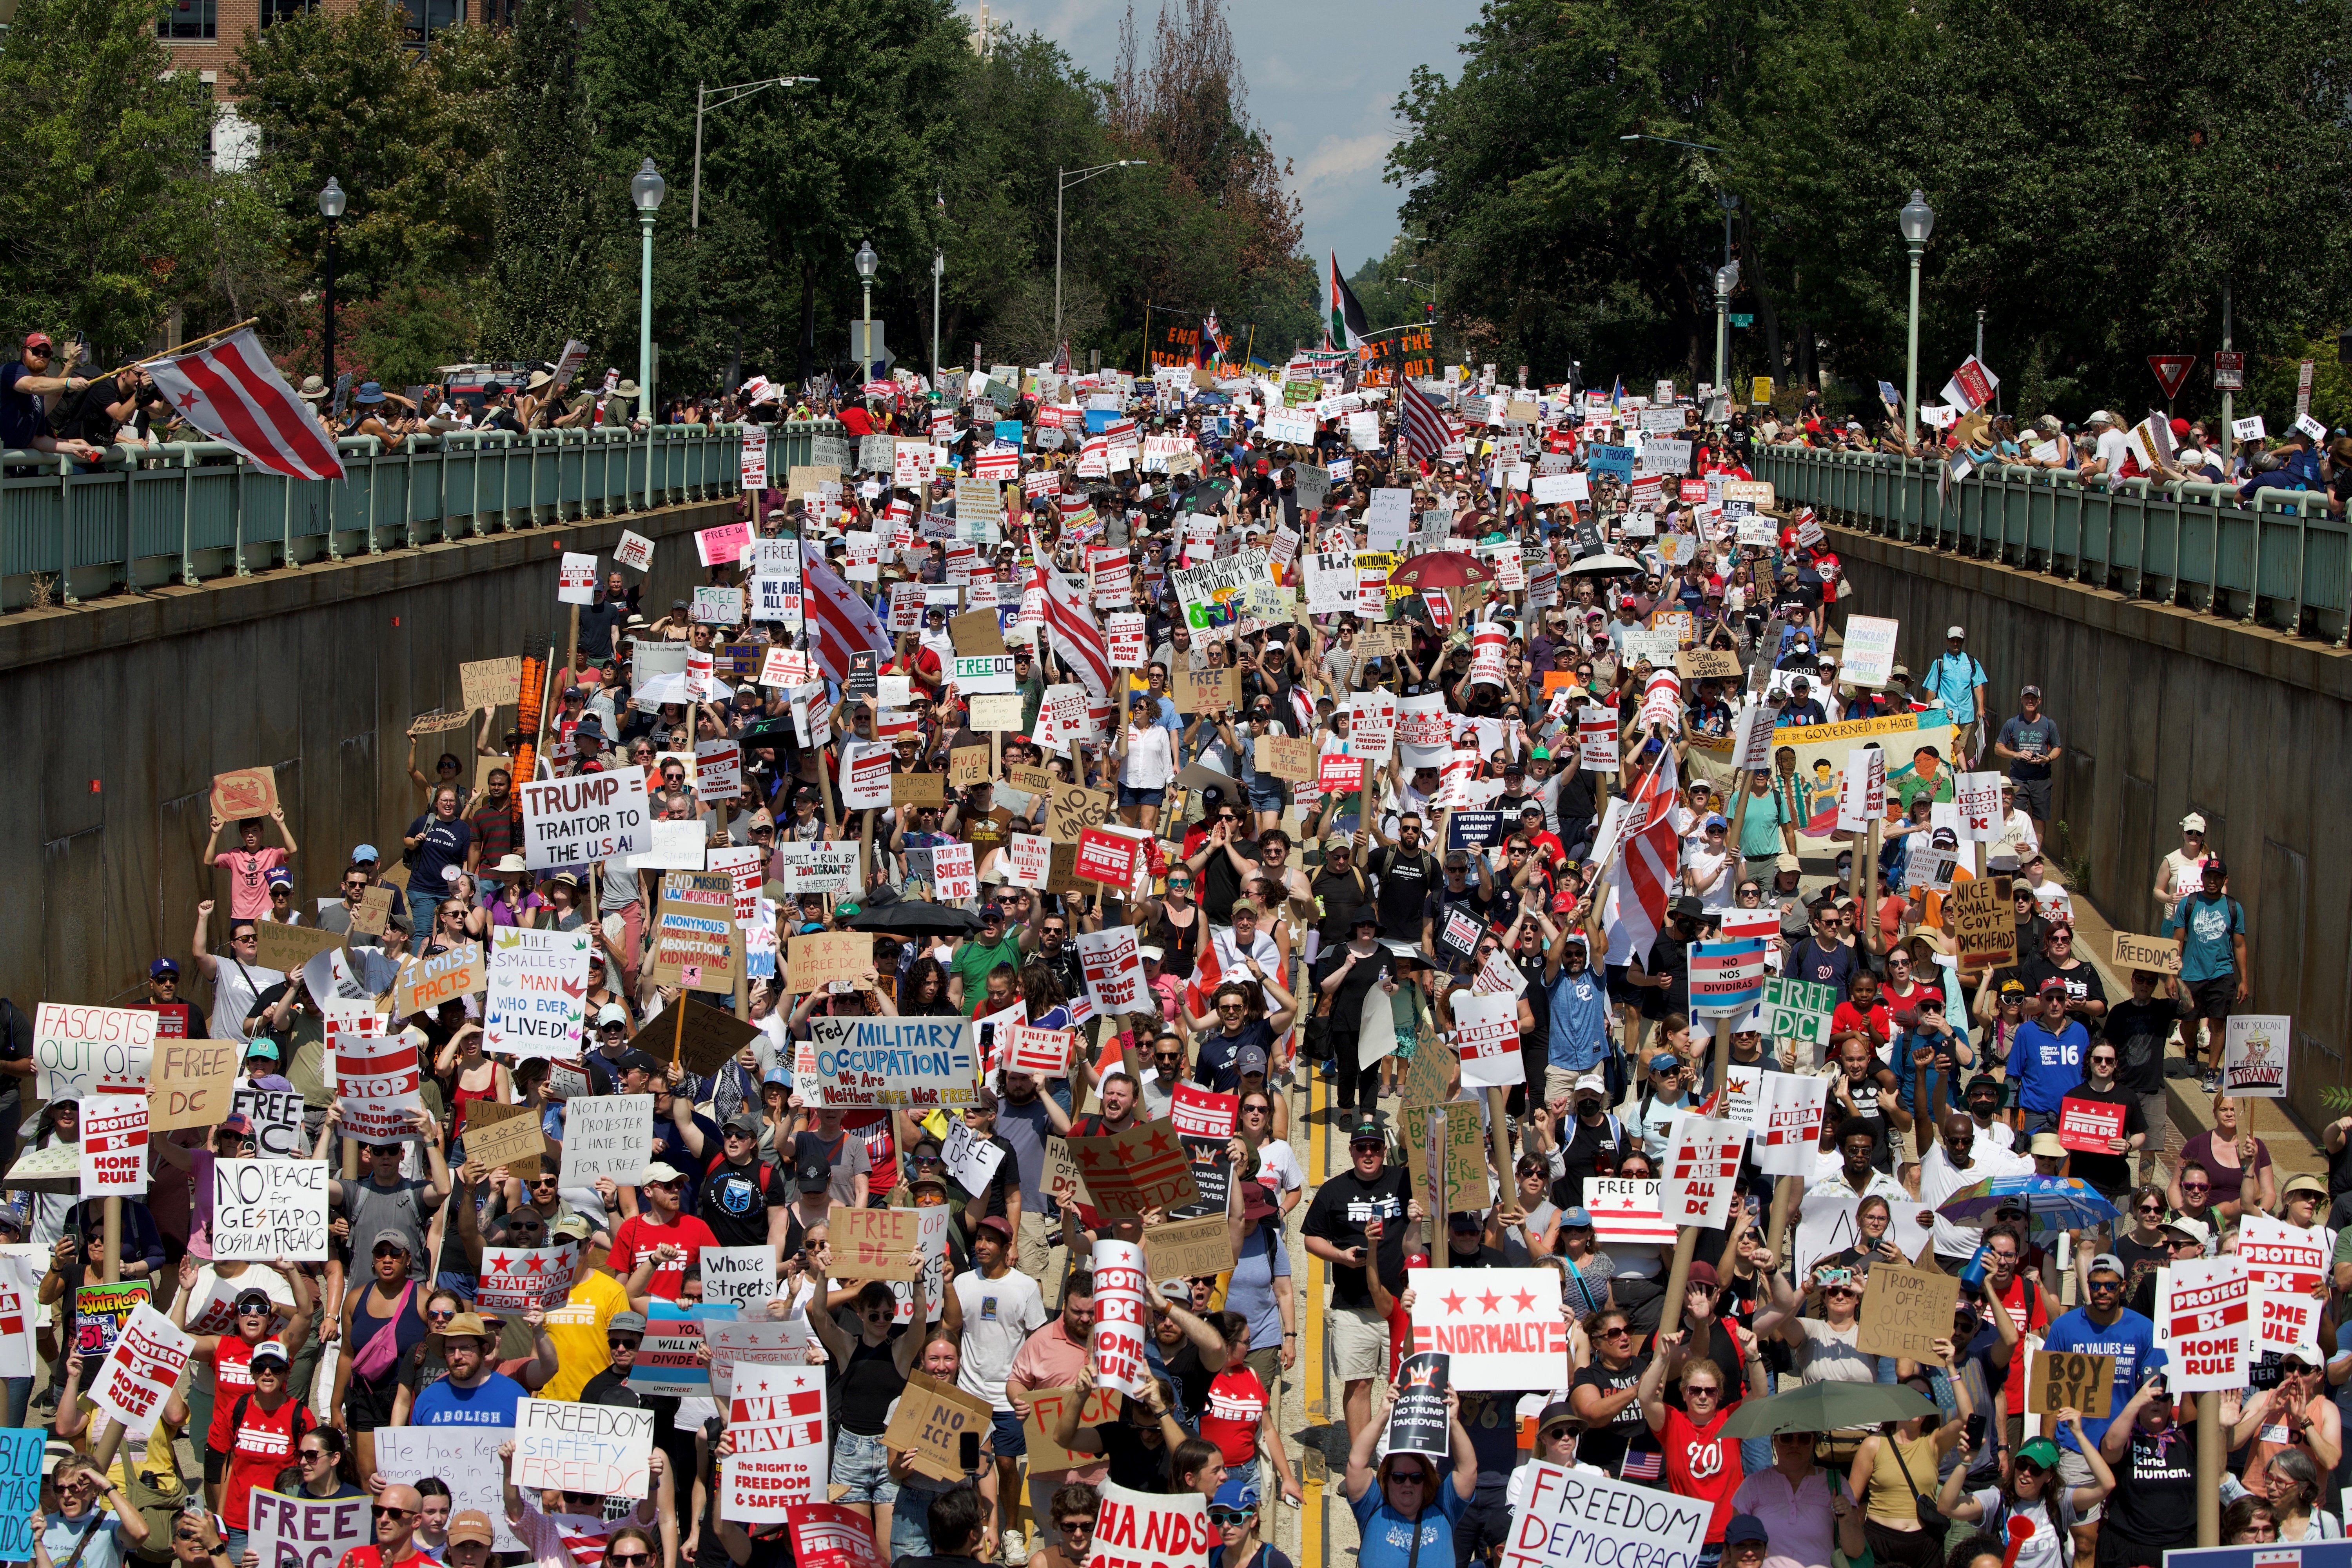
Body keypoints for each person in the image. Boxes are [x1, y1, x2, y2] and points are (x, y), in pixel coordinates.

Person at [2039, 1254, 2156, 1564]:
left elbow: (2154, 1389)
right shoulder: (2064, 1327)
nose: (2102, 1292)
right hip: (2076, 1447)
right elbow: (2050, 1396)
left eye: (2109, 1286)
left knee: (2127, 1530)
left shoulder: (2144, 1329)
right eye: (2095, 1286)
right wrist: (2048, 1449)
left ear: (2123, 1287)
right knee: (2084, 1540)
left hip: (2129, 1447)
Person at [1937, 1424, 2115, 1568]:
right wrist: (1965, 1462)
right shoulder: (1997, 1502)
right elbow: (1947, 1507)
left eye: (2036, 1469)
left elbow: (2107, 1484)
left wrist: (2078, 1434)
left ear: (2050, 1477)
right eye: (2022, 1464)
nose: (2026, 1473)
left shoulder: (2060, 1501)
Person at [1342, 1378, 1475, 1568]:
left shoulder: (1444, 1510)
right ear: (1386, 1480)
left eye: (1416, 1478)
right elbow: (1357, 1463)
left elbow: (1468, 1470)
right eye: (1398, 1478)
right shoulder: (1372, 1507)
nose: (1407, 1484)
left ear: (1426, 1481)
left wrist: (1453, 1420)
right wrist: (1383, 1414)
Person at [2095, 1374, 2199, 1567]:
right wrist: (2135, 1403)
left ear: (2171, 1403)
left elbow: (2231, 1442)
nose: (2157, 1403)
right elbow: (2109, 1449)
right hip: (2129, 1549)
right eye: (2150, 1398)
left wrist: (2264, 1411)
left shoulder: (2188, 1437)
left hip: (2180, 1547)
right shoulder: (2126, 1439)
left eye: (2163, 1398)